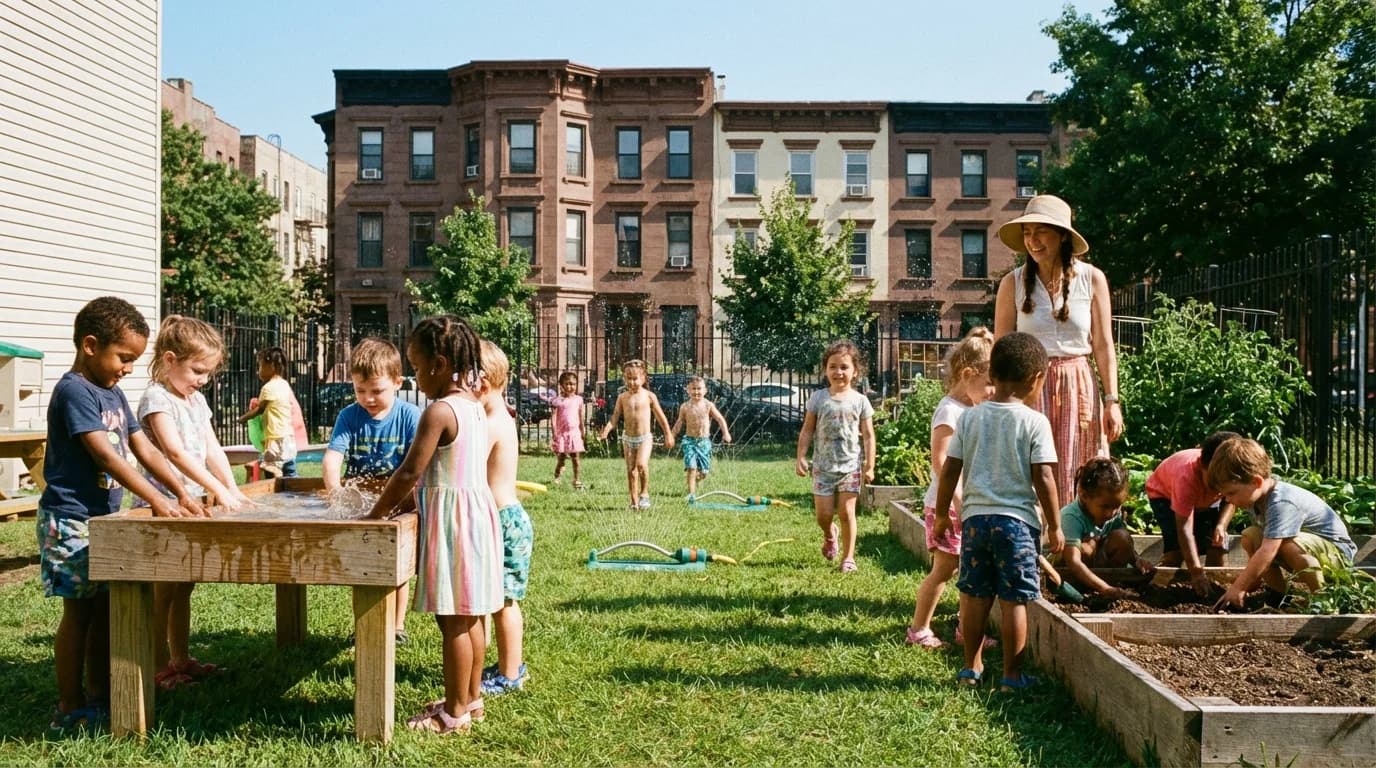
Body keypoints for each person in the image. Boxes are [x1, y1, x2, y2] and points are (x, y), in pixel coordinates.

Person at [39, 297, 205, 732]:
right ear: (91, 345)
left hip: (105, 521)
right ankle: (69, 706)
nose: (128, 368)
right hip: (72, 520)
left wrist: (181, 492)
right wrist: (158, 499)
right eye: (124, 358)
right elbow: (107, 458)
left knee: (107, 608)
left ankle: (101, 696)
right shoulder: (74, 390)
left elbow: (141, 445)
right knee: (79, 613)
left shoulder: (111, 392)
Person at [366, 316, 502, 735]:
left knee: (453, 620)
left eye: (418, 367)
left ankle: (454, 712)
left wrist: (374, 514)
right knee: (471, 616)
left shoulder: (439, 412)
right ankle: (470, 698)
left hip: (454, 527)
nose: (414, 377)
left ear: (440, 364)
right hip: (477, 519)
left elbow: (409, 473)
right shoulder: (473, 407)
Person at [932, 331, 1060, 691]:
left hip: (975, 522)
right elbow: (1045, 477)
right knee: (1013, 601)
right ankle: (1011, 676)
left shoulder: (970, 418)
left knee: (973, 597)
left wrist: (943, 514)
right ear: (1036, 379)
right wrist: (1055, 524)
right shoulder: (1034, 422)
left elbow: (951, 469)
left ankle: (971, 669)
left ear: (992, 375)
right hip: (1017, 525)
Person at [136, 315, 250, 691]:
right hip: (163, 503)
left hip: (191, 502)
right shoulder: (156, 397)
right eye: (197, 370)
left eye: (209, 373)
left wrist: (231, 490)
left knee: (185, 585)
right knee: (163, 588)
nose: (203, 379)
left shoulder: (196, 399)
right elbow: (176, 452)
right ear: (169, 360)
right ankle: (155, 666)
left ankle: (180, 657)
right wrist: (215, 486)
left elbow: (211, 448)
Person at [994, 194, 1123, 506]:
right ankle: (1034, 545)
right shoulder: (1013, 283)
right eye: (1027, 232)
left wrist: (1112, 400)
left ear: (1062, 234)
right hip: (1029, 387)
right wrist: (998, 399)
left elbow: (1104, 345)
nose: (1032, 240)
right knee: (1033, 465)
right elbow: (1001, 346)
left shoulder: (1092, 279)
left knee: (1081, 464)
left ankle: (1078, 545)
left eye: (1041, 231)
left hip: (1078, 385)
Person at [322, 337, 421, 644]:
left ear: (397, 382)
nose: (368, 398)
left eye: (376, 390)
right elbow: (332, 458)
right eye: (360, 390)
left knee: (399, 564)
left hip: (399, 503)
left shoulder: (409, 416)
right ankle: (363, 623)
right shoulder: (349, 416)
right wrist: (335, 492)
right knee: (362, 564)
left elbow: (417, 466)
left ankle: (397, 625)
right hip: (360, 499)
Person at [906, 328, 995, 648]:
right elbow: (941, 462)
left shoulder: (972, 409)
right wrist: (957, 503)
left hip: (971, 505)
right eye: (989, 382)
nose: (993, 390)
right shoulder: (949, 410)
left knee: (971, 572)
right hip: (949, 506)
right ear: (967, 374)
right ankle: (918, 630)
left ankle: (966, 629)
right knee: (943, 570)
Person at [1208, 437, 1357, 609]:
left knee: (1285, 543)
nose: (1228, 499)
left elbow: (1268, 551)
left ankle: (1323, 599)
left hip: (1337, 556)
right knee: (1251, 536)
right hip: (1307, 552)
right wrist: (1251, 580)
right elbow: (1262, 548)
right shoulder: (1255, 499)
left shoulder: (1281, 502)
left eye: (1231, 493)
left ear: (1256, 482)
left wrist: (1238, 587)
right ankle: (1279, 594)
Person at [475, 340, 535, 697]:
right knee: (491, 599)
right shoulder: (500, 416)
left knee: (503, 602)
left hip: (503, 522)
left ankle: (511, 673)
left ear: (481, 382)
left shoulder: (491, 423)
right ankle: (501, 666)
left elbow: (467, 467)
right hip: (501, 519)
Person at [795, 340, 876, 574]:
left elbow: (869, 436)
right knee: (824, 515)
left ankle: (848, 558)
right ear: (825, 370)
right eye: (833, 366)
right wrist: (801, 456)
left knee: (846, 512)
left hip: (850, 466)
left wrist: (870, 465)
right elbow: (808, 429)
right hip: (822, 466)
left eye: (844, 367)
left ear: (855, 371)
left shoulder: (861, 401)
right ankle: (830, 534)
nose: (838, 372)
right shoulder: (818, 398)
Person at [1147, 431, 1241, 595]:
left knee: (1217, 544)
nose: (1219, 489)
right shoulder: (1186, 478)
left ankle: (1214, 588)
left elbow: (1230, 501)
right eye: (1214, 484)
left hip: (1204, 501)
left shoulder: (1228, 473)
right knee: (1175, 551)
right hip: (1164, 496)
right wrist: (1196, 572)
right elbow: (1184, 528)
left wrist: (1221, 525)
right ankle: (1157, 589)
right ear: (1202, 467)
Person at [1056, 457, 1153, 598]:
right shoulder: (1071, 517)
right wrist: (1105, 589)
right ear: (1083, 496)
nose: (1111, 513)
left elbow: (1124, 544)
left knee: (1122, 537)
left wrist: (1137, 560)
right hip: (1068, 576)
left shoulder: (1112, 516)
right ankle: (1097, 588)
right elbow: (1074, 562)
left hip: (1100, 574)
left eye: (1116, 506)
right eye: (1105, 506)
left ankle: (1116, 584)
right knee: (1086, 548)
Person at [599, 360, 674, 510]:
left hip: (644, 438)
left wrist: (668, 434)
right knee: (631, 471)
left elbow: (660, 417)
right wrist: (606, 431)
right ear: (624, 379)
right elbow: (615, 417)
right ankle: (633, 501)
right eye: (628, 379)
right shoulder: (623, 397)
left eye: (635, 379)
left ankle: (644, 493)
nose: (632, 382)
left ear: (644, 378)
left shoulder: (649, 396)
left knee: (641, 465)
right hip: (628, 438)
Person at [236, 347, 297, 478]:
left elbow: (260, 410)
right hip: (288, 436)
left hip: (275, 436)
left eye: (261, 366)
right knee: (290, 469)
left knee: (270, 468)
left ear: (272, 366)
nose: (259, 371)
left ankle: (275, 492)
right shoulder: (284, 384)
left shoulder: (268, 387)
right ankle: (296, 493)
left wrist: (243, 418)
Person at [671, 376, 732, 498]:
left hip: (704, 441)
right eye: (693, 389)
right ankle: (691, 494)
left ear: (705, 390)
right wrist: (671, 436)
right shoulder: (685, 407)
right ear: (688, 390)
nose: (696, 392)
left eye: (699, 389)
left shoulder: (708, 405)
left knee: (704, 472)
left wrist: (726, 433)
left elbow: (719, 419)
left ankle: (694, 480)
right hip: (689, 441)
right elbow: (679, 422)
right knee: (691, 467)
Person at [550, 370, 586, 489]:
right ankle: (557, 476)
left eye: (573, 384)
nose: (570, 387)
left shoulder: (578, 400)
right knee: (562, 458)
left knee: (575, 458)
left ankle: (576, 479)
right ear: (561, 385)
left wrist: (582, 430)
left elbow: (581, 416)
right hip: (562, 433)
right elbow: (554, 417)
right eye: (567, 384)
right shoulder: (557, 401)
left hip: (574, 433)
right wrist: (555, 432)